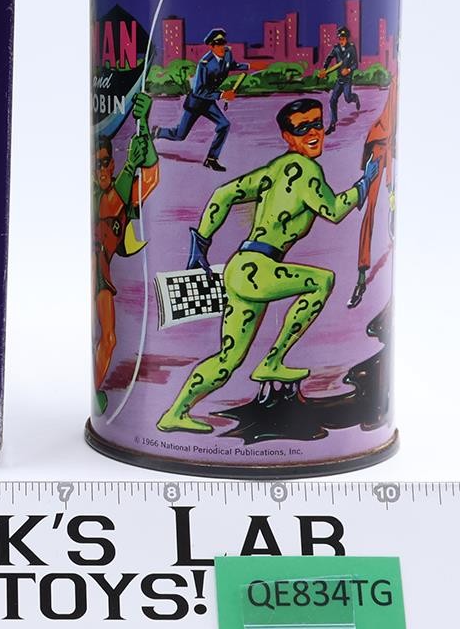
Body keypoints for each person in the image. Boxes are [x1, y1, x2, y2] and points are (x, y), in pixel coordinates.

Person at [156, 98, 379, 434]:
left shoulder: (275, 169)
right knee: (321, 281)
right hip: (259, 269)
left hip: (242, 269)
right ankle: (273, 360)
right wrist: (363, 185)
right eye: (302, 128)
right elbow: (333, 210)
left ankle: (174, 413)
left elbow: (223, 194)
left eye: (317, 124)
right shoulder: (304, 169)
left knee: (228, 361)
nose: (313, 133)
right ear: (287, 136)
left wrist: (200, 243)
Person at [92, 92, 160, 414]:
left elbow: (151, 180)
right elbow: (110, 205)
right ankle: (99, 393)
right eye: (97, 164)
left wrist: (144, 126)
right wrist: (131, 163)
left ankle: (99, 390)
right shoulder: (100, 196)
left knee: (109, 339)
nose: (103, 170)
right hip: (97, 273)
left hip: (104, 276)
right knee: (107, 337)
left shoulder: (118, 193)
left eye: (107, 162)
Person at [154, 28, 249, 171]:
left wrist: (249, 66)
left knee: (224, 125)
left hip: (209, 103)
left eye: (223, 42)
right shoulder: (204, 64)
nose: (222, 46)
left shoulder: (227, 54)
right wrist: (222, 95)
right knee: (179, 135)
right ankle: (157, 132)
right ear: (211, 46)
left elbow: (232, 65)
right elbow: (198, 91)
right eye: (218, 43)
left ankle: (211, 159)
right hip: (196, 103)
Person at [351, 74, 398, 307]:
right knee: (370, 210)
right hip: (380, 146)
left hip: (390, 145)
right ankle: (361, 275)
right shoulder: (395, 81)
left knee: (386, 207)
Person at [318, 26, 360, 133]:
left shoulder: (351, 48)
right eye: (340, 39)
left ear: (347, 38)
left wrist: (349, 70)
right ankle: (333, 123)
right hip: (339, 79)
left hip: (347, 80)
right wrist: (324, 69)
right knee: (333, 100)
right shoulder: (336, 49)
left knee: (348, 98)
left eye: (343, 39)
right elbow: (329, 58)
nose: (341, 41)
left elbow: (356, 64)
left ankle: (355, 98)